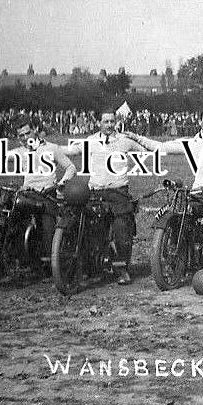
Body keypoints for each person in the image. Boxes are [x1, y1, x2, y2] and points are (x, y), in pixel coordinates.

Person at [124, 109, 203, 260]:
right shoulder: (191, 143)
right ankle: (185, 250)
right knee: (186, 212)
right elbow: (161, 147)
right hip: (199, 191)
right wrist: (137, 137)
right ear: (200, 123)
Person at [0, 118, 77, 267]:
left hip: (47, 194)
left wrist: (60, 184)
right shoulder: (20, 152)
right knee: (9, 221)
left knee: (48, 229)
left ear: (35, 130)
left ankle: (50, 263)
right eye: (20, 136)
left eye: (27, 133)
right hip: (27, 194)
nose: (24, 138)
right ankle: (3, 259)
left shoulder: (52, 148)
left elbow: (71, 168)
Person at [63, 111, 148, 285]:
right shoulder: (91, 141)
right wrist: (46, 147)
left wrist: (137, 137)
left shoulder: (124, 140)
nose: (109, 125)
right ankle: (93, 268)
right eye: (105, 121)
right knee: (91, 231)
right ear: (98, 123)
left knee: (122, 231)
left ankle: (122, 269)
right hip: (95, 193)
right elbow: (70, 150)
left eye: (112, 121)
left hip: (118, 193)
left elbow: (148, 151)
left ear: (116, 122)